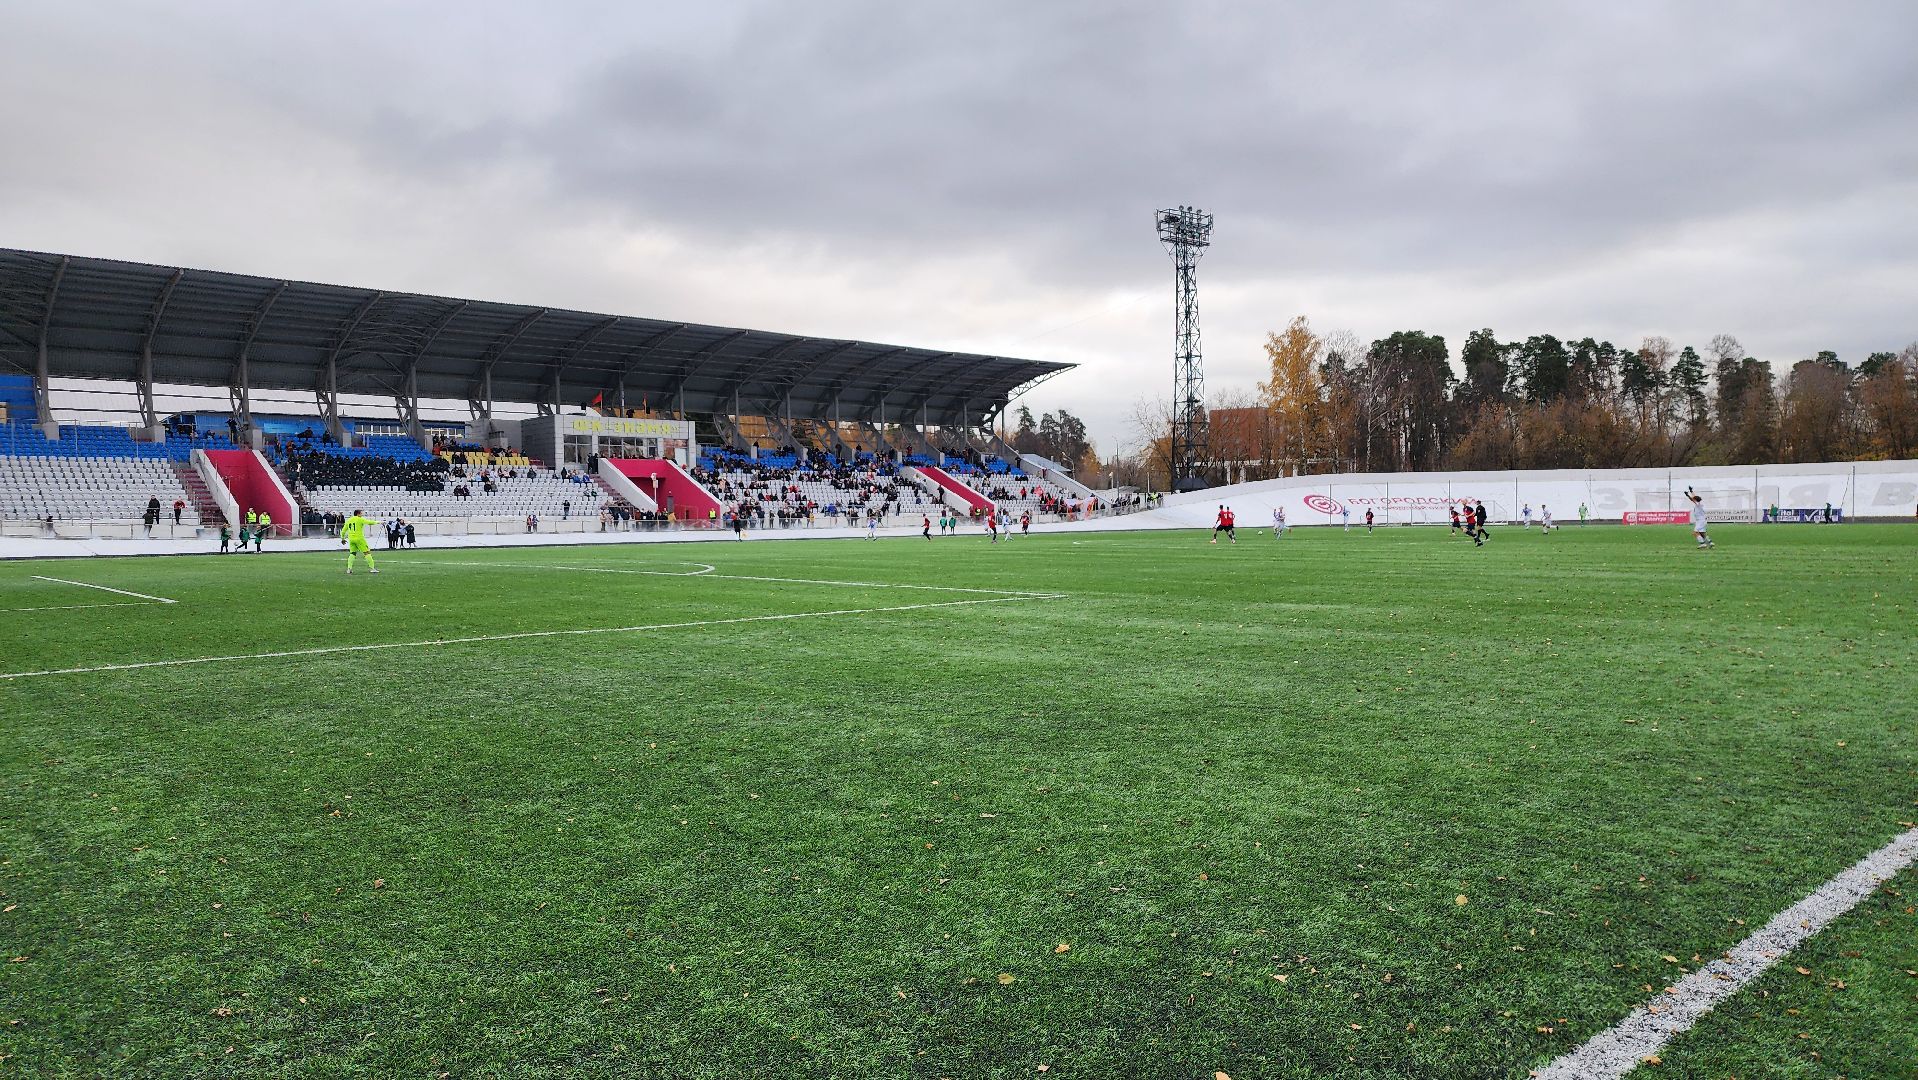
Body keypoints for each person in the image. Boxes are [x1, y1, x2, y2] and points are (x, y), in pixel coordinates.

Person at [341, 508, 379, 573]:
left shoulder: (349, 520)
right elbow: (369, 522)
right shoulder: (360, 519)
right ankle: (372, 568)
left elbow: (343, 530)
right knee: (367, 552)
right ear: (358, 514)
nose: (362, 514)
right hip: (359, 539)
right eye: (361, 513)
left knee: (352, 553)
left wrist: (343, 538)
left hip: (351, 539)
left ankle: (349, 569)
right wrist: (379, 522)